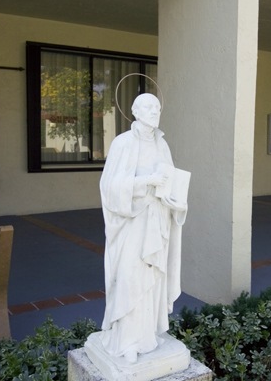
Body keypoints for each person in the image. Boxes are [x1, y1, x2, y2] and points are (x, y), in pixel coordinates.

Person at [98, 93, 187, 364]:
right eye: (148, 107)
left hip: (157, 219)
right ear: (135, 111)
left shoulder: (162, 145)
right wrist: (147, 180)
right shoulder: (122, 143)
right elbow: (110, 185)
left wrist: (176, 198)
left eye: (157, 107)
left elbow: (171, 181)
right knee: (129, 276)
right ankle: (126, 339)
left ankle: (147, 335)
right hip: (131, 223)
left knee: (152, 278)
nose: (154, 111)